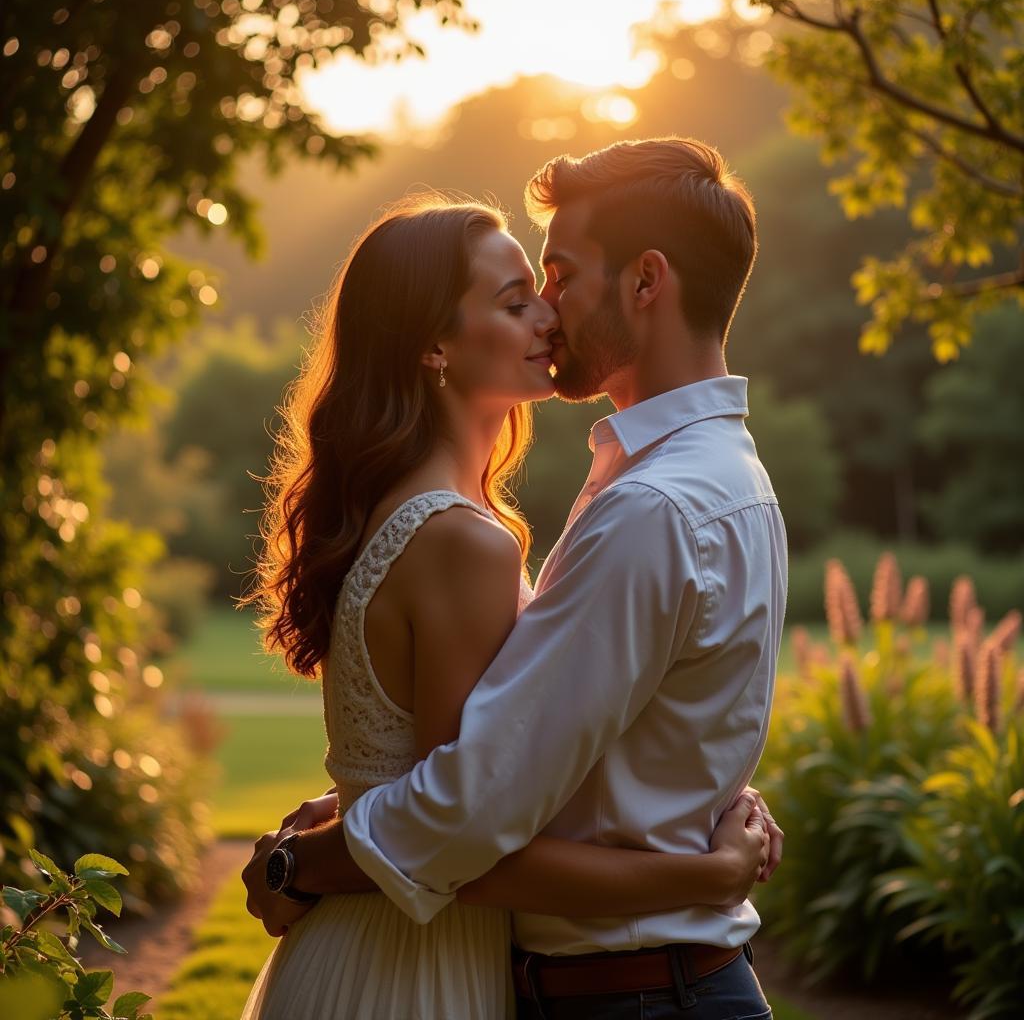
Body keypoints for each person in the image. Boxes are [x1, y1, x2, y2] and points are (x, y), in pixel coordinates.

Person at [243, 136, 787, 1020]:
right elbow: (498, 769)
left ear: (647, 282)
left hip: (638, 995)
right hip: (603, 983)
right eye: (525, 292)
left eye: (559, 276)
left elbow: (468, 811)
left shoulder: (653, 504)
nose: (549, 309)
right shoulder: (715, 480)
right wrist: (705, 845)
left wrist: (302, 861)